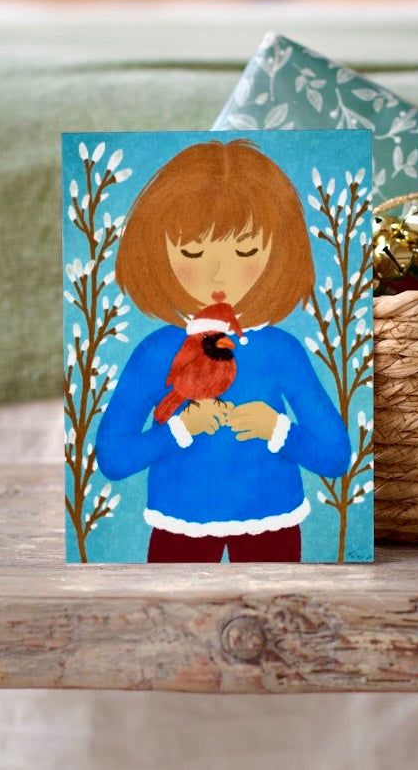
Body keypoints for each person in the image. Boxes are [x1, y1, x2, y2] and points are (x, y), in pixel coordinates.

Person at [95, 139, 350, 562]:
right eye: (193, 251)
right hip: (180, 524)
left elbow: (335, 454)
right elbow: (113, 457)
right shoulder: (157, 351)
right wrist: (180, 429)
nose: (217, 273)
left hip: (272, 522)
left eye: (245, 250)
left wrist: (277, 429)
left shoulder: (281, 351)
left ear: (279, 251)